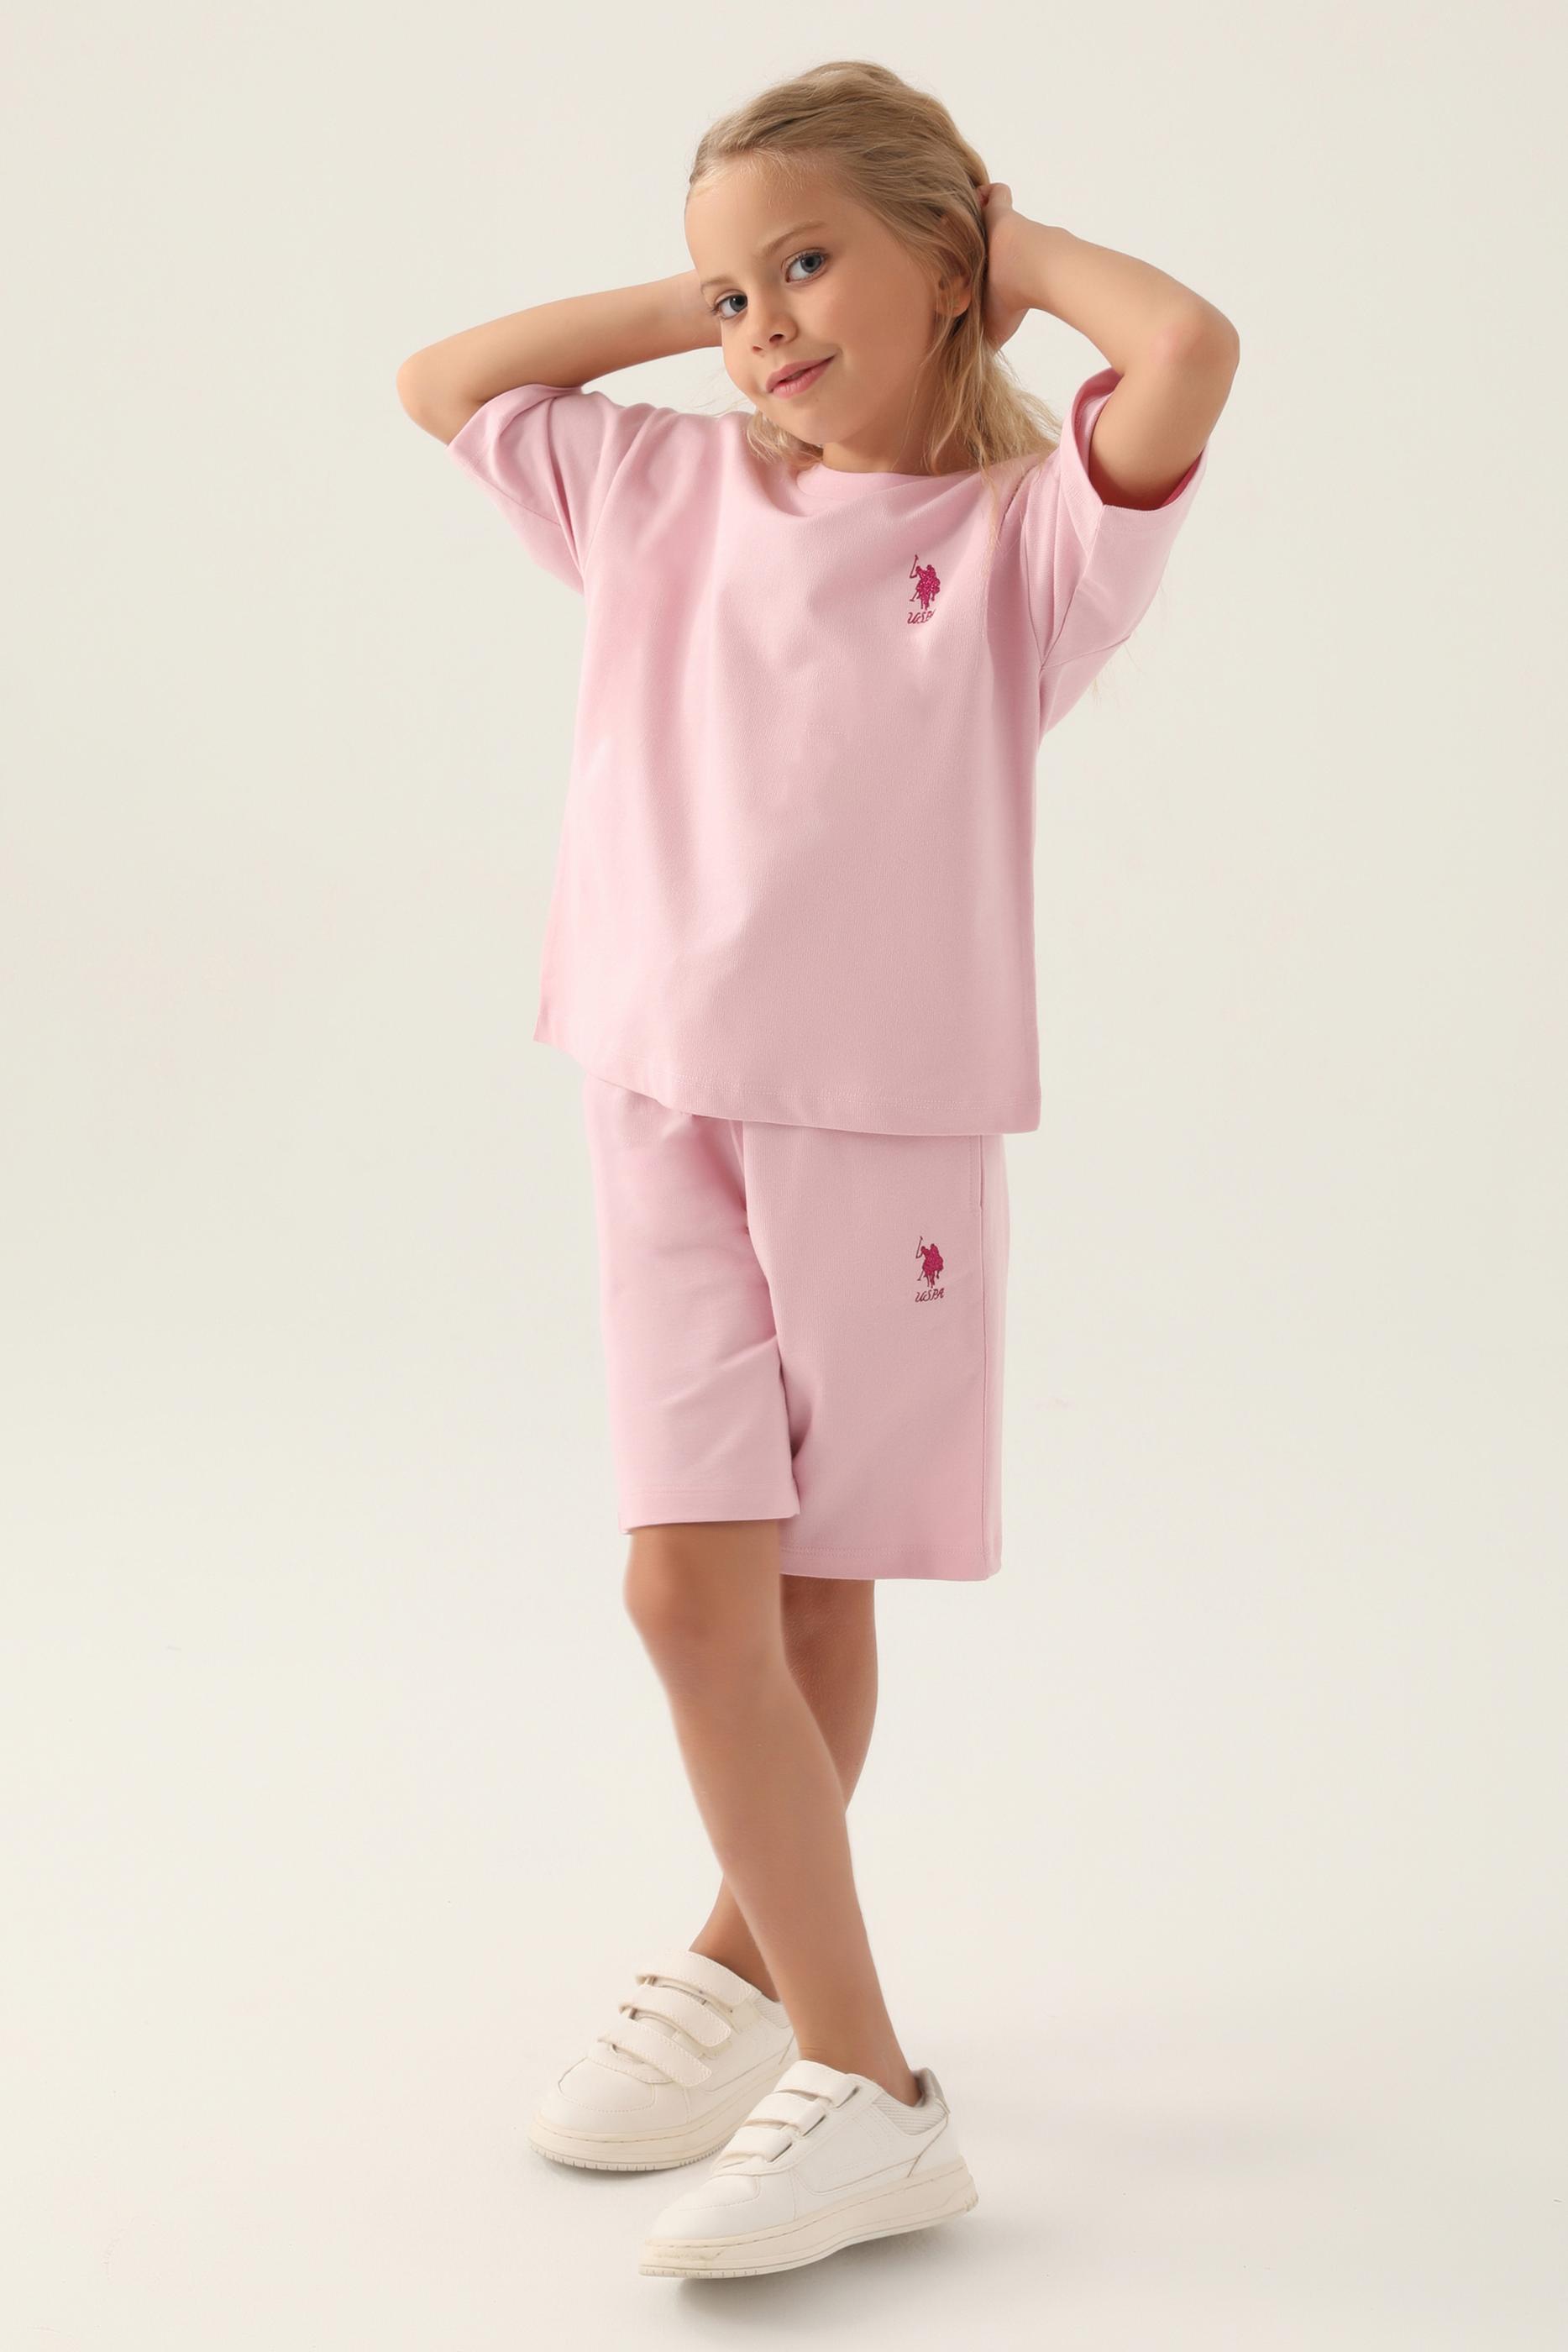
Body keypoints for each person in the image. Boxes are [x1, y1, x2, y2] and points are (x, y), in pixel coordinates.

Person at [397, 57, 1238, 2282]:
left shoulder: (1026, 546)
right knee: (687, 1589)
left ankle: (818, 2043)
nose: (762, 318)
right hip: (646, 1089)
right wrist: (705, 312)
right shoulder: (661, 488)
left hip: (877, 1124)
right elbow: (445, 381)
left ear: (944, 271)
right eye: (730, 285)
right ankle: (814, 2021)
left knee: (802, 1593)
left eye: (805, 265)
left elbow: (1182, 350)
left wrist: (1001, 243)